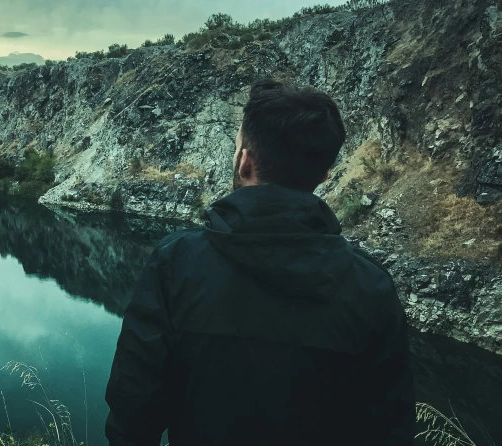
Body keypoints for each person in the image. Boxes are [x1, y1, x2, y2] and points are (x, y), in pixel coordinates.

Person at [104, 80, 415, 445]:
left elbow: (133, 410)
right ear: (323, 175)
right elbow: (390, 430)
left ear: (244, 162)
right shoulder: (370, 286)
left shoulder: (175, 265)